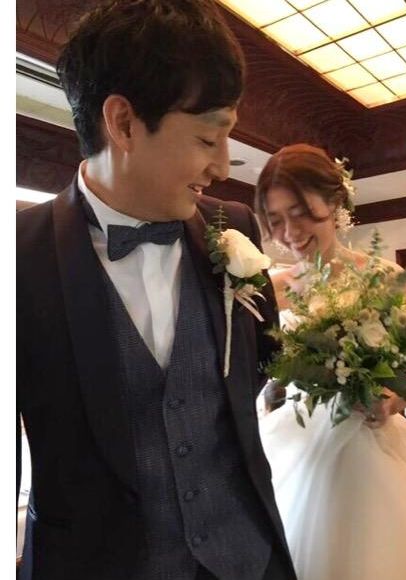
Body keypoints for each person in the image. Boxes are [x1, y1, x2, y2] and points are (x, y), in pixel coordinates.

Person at [16, 2, 297, 579]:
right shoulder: (17, 256)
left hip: (247, 559)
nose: (224, 167)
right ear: (122, 122)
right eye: (208, 138)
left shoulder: (235, 226)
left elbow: (266, 361)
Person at [254, 144, 406, 580]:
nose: (289, 232)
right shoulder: (271, 288)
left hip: (371, 437)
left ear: (335, 203)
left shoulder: (385, 278)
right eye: (275, 220)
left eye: (301, 213)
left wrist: (391, 400)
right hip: (294, 439)